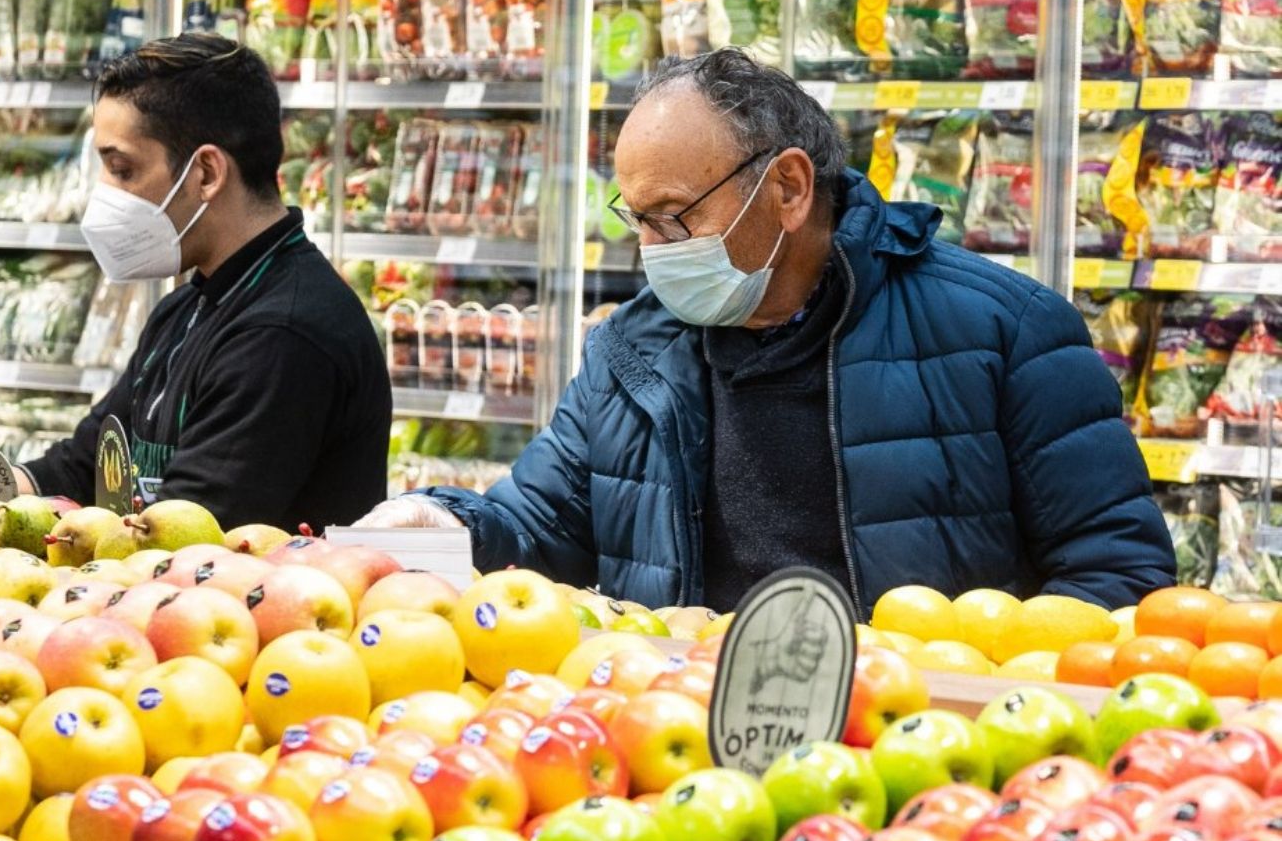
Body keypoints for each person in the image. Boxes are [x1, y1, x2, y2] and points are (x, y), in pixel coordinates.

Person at [358, 48, 1176, 615]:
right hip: (690, 769)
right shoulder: (629, 354)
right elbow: (540, 526)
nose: (652, 251)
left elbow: (1119, 573)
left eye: (674, 217)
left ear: (787, 187)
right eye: (637, 221)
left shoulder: (1005, 332)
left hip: (931, 768)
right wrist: (444, 522)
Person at [0, 33, 391, 532]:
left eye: (122, 170)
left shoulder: (282, 333)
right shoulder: (189, 306)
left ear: (206, 172)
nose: (106, 198)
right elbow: (86, 464)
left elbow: (186, 536)